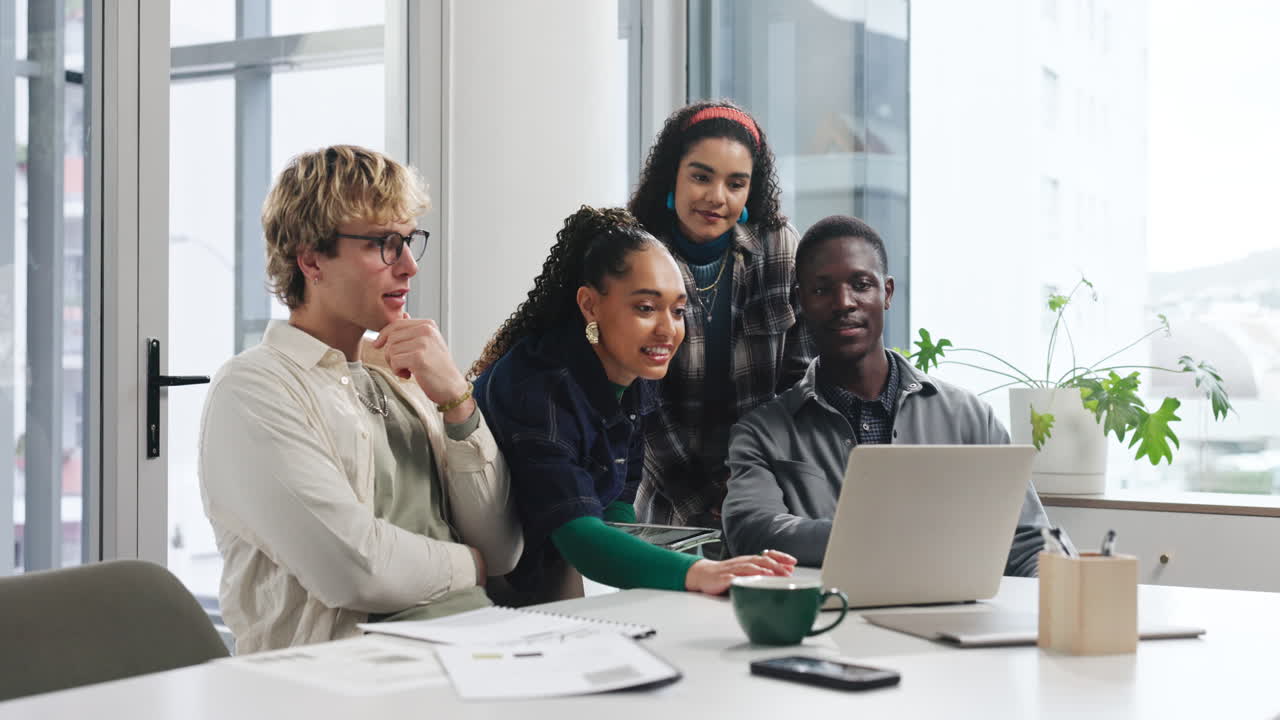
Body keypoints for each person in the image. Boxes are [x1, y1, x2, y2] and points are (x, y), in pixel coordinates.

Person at [199, 145, 523, 653]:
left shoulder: (405, 374)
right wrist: (471, 564)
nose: (410, 266)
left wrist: (457, 400)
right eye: (384, 244)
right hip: (345, 671)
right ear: (311, 259)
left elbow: (504, 546)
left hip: (477, 640)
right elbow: (354, 569)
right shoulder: (253, 389)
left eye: (410, 240)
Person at [470, 206, 796, 602]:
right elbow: (578, 536)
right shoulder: (537, 387)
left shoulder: (631, 374)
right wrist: (698, 571)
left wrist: (642, 543)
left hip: (547, 568)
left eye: (677, 310)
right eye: (645, 307)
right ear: (590, 305)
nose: (668, 330)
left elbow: (620, 495)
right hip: (481, 583)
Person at [721, 215, 1050, 576]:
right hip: (827, 625)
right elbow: (751, 530)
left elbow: (1029, 544)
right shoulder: (760, 434)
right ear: (800, 301)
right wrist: (891, 539)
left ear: (887, 293)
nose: (843, 302)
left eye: (861, 284)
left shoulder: (971, 418)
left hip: (954, 622)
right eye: (822, 289)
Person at [627, 100, 815, 531]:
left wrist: (752, 478)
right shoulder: (635, 253)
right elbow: (636, 404)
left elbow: (801, 378)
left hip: (772, 488)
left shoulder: (779, 246)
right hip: (667, 498)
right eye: (700, 177)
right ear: (672, 174)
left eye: (736, 183)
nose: (717, 198)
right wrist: (703, 497)